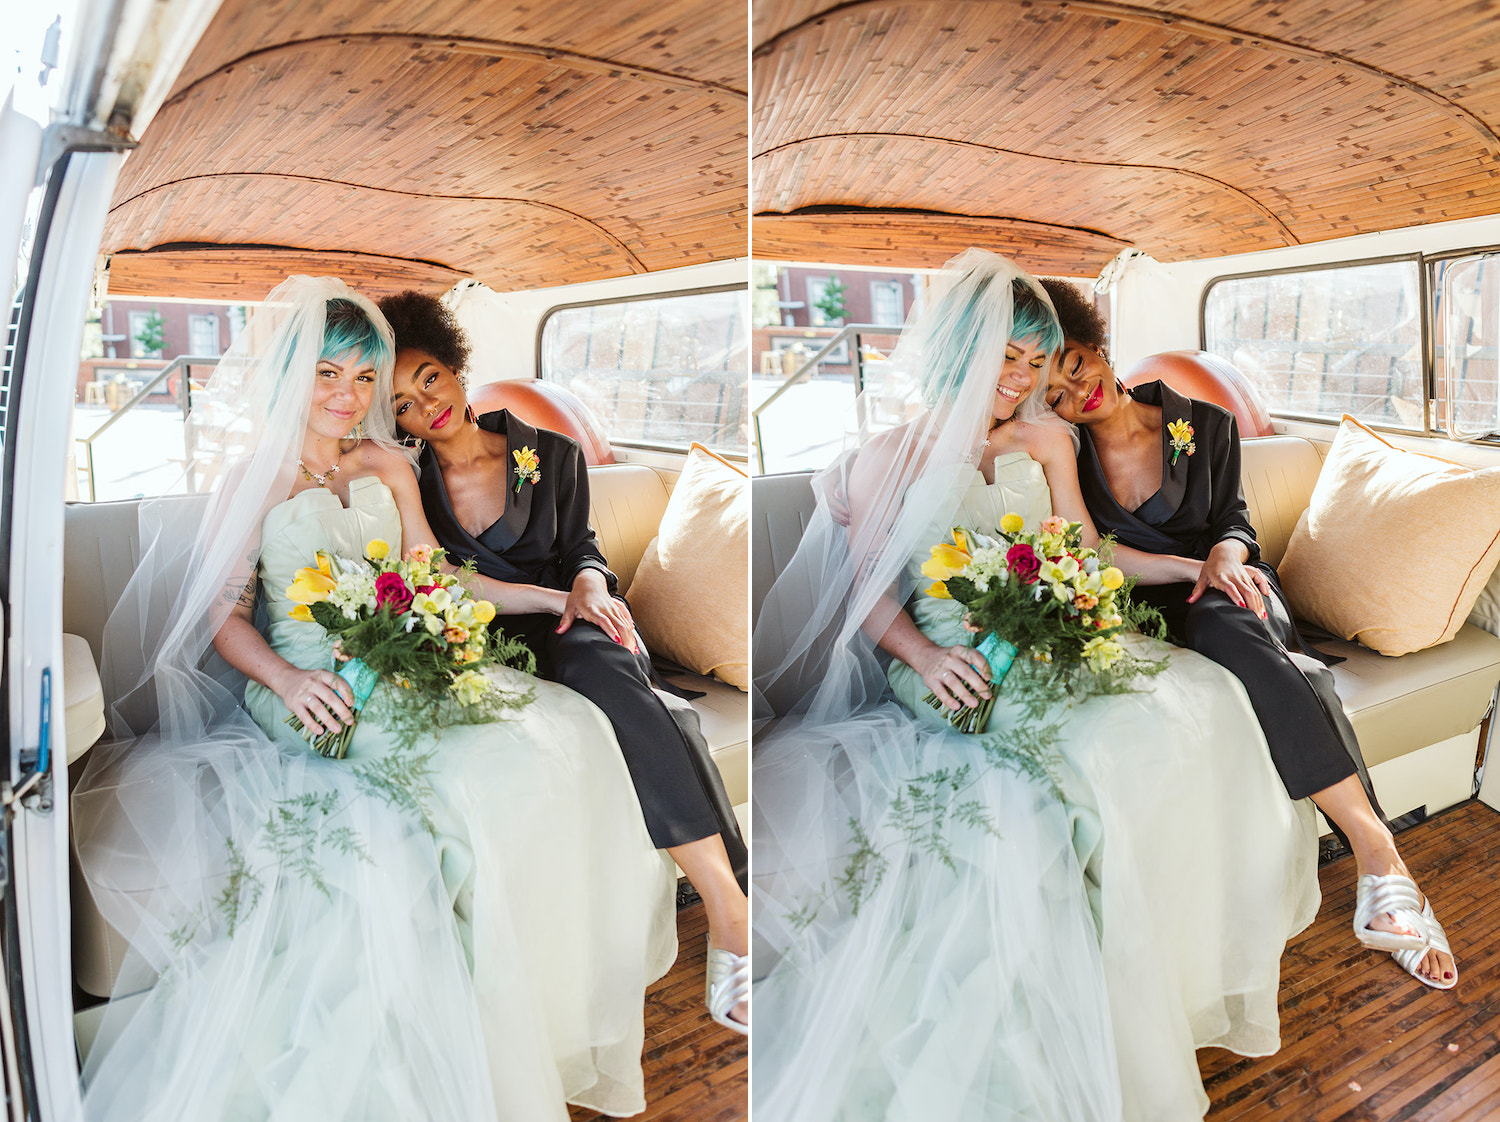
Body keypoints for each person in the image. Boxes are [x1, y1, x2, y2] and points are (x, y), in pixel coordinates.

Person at [73, 277, 676, 1122]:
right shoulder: (256, 478)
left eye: (363, 380)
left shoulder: (392, 463)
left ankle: (522, 1017)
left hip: (401, 663)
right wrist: (287, 678)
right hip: (306, 684)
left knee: (566, 736)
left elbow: (433, 576)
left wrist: (546, 601)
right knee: (470, 787)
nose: (347, 397)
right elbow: (224, 615)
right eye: (327, 374)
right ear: (290, 376)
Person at [752, 250, 1318, 1121]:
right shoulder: (887, 456)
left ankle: (1173, 970)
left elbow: (1079, 551)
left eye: (1034, 359)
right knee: (1108, 755)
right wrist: (925, 657)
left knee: (1203, 706)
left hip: (1050, 641)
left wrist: (1179, 566)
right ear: (958, 351)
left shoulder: (1046, 438)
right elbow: (868, 593)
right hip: (947, 662)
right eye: (1007, 357)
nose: (1023, 377)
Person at [1037, 278, 1457, 992]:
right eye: (1052, 392)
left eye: (1074, 366)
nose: (1075, 394)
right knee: (1272, 662)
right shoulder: (1064, 454)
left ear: (1097, 346)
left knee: (1230, 624)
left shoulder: (1206, 422)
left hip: (1231, 589)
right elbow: (1090, 551)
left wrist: (1228, 552)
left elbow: (1234, 519)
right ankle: (1385, 866)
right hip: (1144, 606)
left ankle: (1377, 857)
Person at [374, 289, 750, 1032]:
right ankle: (735, 902)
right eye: (403, 406)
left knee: (605, 658)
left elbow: (583, 549)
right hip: (482, 636)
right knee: (649, 705)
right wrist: (550, 599)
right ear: (395, 423)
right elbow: (439, 580)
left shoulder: (550, 453)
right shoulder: (406, 485)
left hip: (569, 618)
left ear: (453, 367)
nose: (426, 407)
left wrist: (586, 586)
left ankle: (729, 914)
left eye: (429, 380)